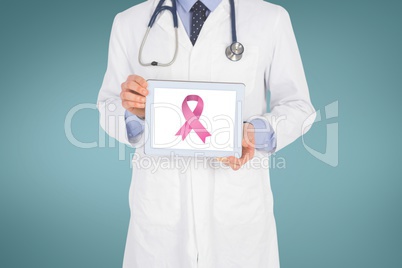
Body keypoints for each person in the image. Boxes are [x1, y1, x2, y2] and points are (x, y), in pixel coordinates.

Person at [97, 0, 315, 267]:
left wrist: (252, 133)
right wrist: (134, 114)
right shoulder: (129, 22)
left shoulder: (270, 18)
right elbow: (107, 107)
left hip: (237, 211)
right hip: (161, 215)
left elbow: (299, 107)